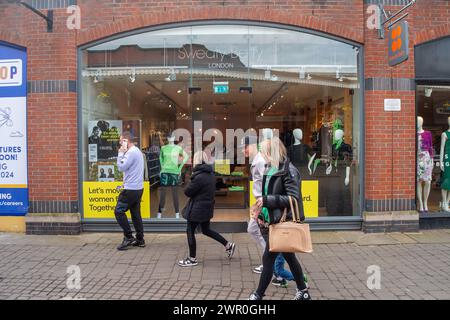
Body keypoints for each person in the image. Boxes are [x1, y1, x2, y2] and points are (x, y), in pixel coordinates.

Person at [249, 137, 311, 300]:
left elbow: (293, 198)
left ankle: (258, 295)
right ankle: (303, 291)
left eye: (263, 151)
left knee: (268, 257)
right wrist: (262, 210)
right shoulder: (270, 168)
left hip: (284, 222)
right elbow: (269, 194)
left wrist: (267, 200)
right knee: (289, 256)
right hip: (274, 221)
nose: (261, 154)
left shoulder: (289, 170)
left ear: (271, 152)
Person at [177, 151, 236, 267]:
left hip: (197, 209)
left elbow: (187, 192)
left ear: (196, 160)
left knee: (190, 231)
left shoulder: (198, 176)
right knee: (206, 230)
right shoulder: (210, 174)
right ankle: (228, 245)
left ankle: (192, 258)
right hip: (206, 207)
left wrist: (188, 180)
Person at [114, 131, 146, 251]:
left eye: (121, 141)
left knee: (118, 211)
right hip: (138, 188)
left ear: (127, 141)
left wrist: (120, 153)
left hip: (130, 189)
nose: (120, 143)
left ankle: (128, 237)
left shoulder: (131, 153)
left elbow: (121, 167)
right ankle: (140, 239)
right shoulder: (136, 151)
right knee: (135, 214)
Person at [241, 135, 267, 274]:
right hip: (260, 201)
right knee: (254, 229)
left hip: (262, 202)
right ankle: (269, 259)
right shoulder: (257, 160)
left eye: (245, 147)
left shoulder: (260, 161)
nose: (243, 151)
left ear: (252, 146)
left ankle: (269, 260)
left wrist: (263, 201)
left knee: (255, 229)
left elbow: (267, 182)